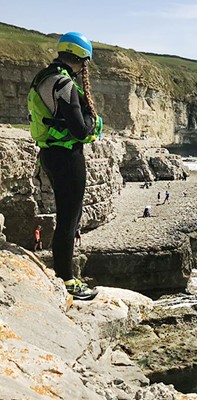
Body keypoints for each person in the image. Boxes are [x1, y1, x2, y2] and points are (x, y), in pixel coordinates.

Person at [28, 32, 102, 301]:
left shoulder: (44, 77)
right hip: (68, 157)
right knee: (69, 220)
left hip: (49, 154)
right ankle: (67, 279)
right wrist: (95, 124)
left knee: (65, 217)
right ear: (81, 58)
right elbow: (81, 131)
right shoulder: (65, 84)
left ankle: (64, 273)